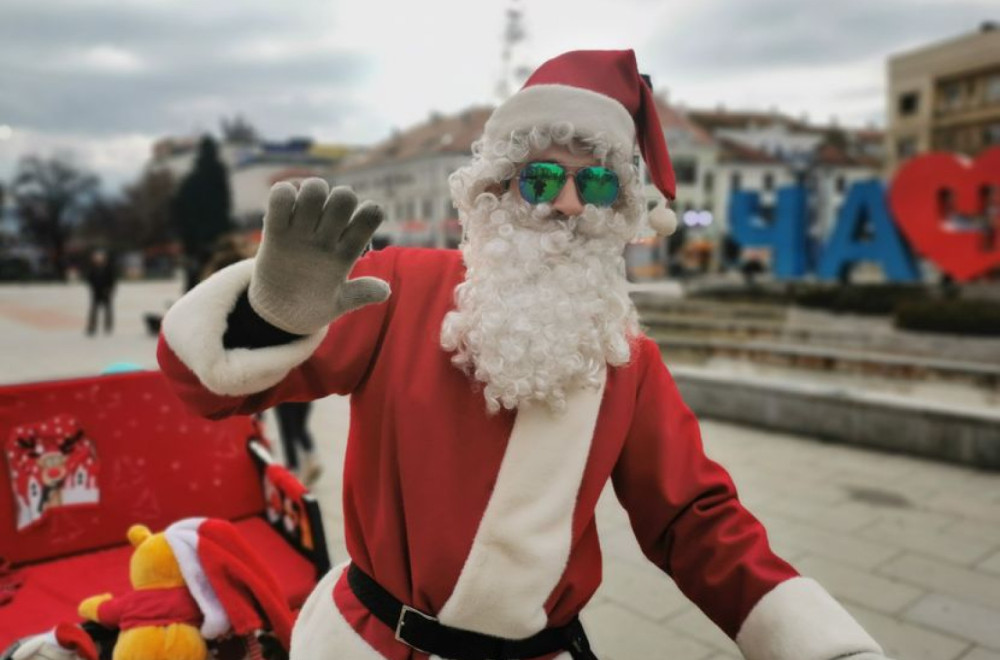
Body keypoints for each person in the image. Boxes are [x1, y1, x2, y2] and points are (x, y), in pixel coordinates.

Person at [157, 51, 891, 660]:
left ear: (615, 210)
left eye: (595, 181)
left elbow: (696, 522)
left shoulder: (627, 360)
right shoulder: (402, 288)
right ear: (496, 188)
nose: (567, 203)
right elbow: (209, 392)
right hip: (368, 643)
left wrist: (819, 646)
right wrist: (268, 316)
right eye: (543, 176)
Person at [84, 249, 117, 336]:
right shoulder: (92, 269)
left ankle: (108, 326)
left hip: (106, 292)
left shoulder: (108, 269)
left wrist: (110, 290)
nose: (98, 260)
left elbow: (112, 281)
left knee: (108, 310)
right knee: (93, 310)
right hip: (96, 292)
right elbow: (90, 279)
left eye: (100, 258)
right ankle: (92, 326)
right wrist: (93, 288)